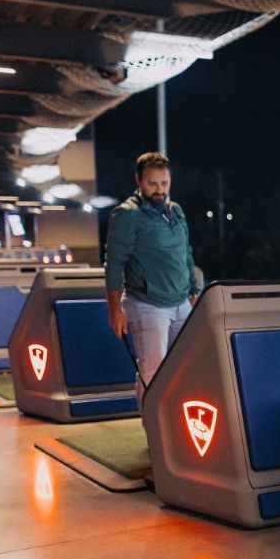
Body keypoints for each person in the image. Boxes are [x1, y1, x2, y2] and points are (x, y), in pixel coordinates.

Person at [105, 152, 200, 403]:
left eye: (164, 183)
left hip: (181, 303)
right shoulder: (126, 215)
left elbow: (185, 253)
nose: (159, 190)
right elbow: (114, 264)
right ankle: (154, 431)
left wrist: (194, 292)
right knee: (152, 372)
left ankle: (175, 425)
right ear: (138, 180)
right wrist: (115, 310)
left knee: (185, 368)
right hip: (148, 305)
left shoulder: (176, 211)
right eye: (152, 183)